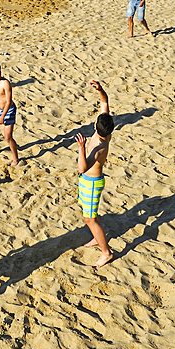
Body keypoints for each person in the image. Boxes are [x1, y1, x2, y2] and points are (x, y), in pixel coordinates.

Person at [74, 81, 114, 268]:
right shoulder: (107, 129)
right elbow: (105, 103)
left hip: (91, 183)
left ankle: (106, 252)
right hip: (89, 182)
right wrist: (100, 90)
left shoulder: (98, 148)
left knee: (89, 219)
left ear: (96, 127)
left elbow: (82, 167)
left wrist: (81, 148)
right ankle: (98, 238)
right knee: (92, 216)